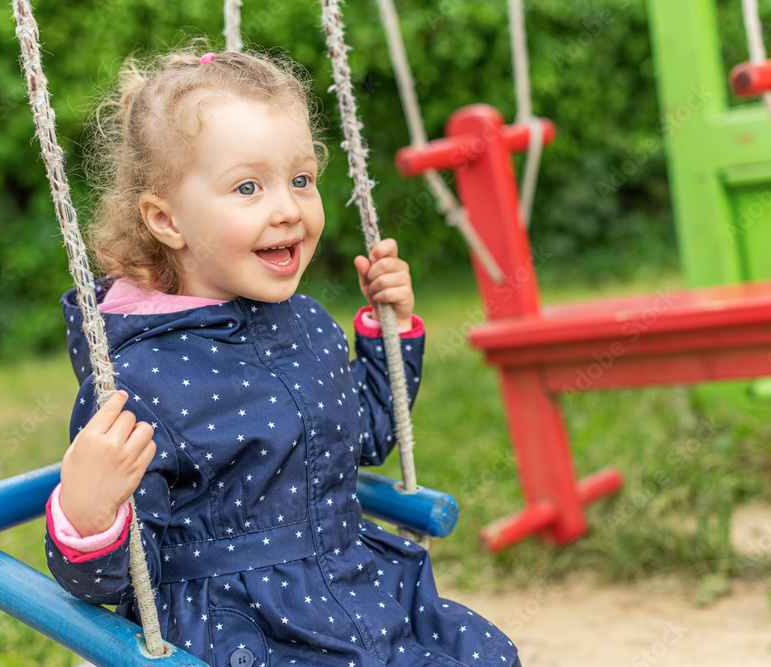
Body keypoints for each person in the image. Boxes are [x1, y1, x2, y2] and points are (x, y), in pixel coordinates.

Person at [45, 45, 519, 667]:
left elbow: (366, 435)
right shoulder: (136, 379)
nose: (289, 209)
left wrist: (391, 329)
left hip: (358, 588)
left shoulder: (306, 323)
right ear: (166, 220)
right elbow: (116, 581)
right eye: (248, 187)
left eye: (301, 180)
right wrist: (86, 512)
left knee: (486, 653)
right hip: (247, 628)